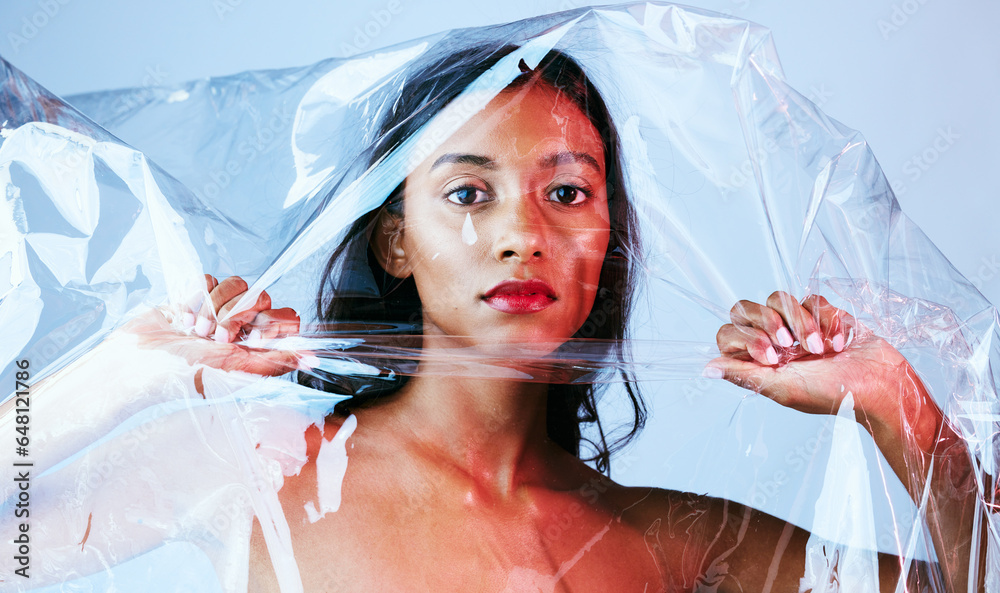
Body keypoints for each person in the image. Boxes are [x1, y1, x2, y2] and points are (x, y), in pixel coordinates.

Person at [7, 45, 982, 592]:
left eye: (566, 192)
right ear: (395, 240)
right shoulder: (246, 461)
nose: (521, 233)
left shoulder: (677, 539)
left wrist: (897, 400)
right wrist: (131, 368)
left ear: (613, 240)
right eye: (468, 194)